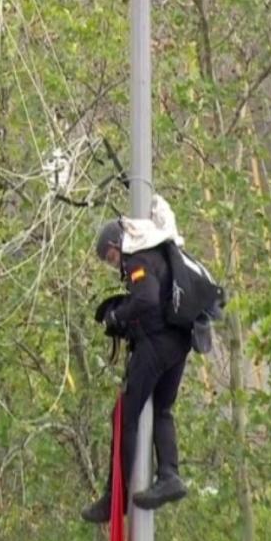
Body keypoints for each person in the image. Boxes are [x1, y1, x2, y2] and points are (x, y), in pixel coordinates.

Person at [81, 219, 190, 523]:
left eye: (111, 257)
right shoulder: (159, 251)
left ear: (118, 244)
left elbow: (146, 298)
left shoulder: (138, 259)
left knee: (123, 415)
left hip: (156, 346)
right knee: (162, 410)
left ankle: (120, 493)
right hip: (181, 343)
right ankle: (169, 475)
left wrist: (117, 316)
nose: (113, 263)